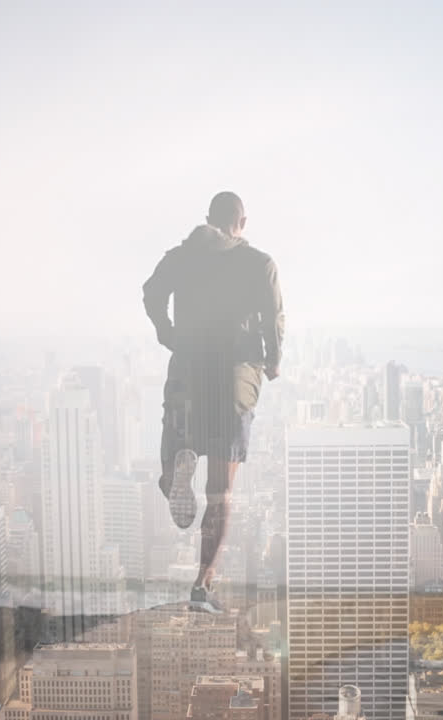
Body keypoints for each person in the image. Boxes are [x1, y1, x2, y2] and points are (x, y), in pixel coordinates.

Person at [142, 191, 284, 611]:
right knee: (221, 493)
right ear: (243, 222)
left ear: (209, 219)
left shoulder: (181, 256)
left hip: (189, 371)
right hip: (233, 382)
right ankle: (203, 584)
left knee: (178, 437)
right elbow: (275, 319)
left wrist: (167, 332)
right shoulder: (260, 264)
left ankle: (173, 474)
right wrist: (273, 362)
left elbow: (151, 292)